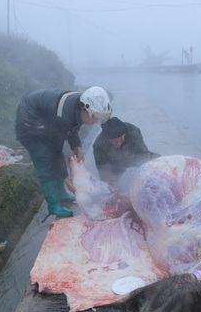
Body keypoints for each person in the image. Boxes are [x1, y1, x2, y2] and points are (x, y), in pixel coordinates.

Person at [15, 86, 112, 218]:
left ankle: (61, 194)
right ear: (85, 110)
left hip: (47, 121)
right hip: (29, 124)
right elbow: (54, 149)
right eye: (94, 118)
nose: (94, 122)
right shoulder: (62, 115)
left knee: (56, 158)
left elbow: (72, 127)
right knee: (45, 161)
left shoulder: (79, 104)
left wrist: (77, 147)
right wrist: (68, 182)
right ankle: (53, 205)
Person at [93, 117, 159, 186]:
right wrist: (110, 185)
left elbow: (142, 154)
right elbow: (103, 170)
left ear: (124, 134)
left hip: (132, 155)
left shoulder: (132, 132)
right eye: (115, 141)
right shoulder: (98, 145)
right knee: (110, 185)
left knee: (153, 160)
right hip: (114, 163)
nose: (119, 143)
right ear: (108, 139)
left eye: (121, 139)